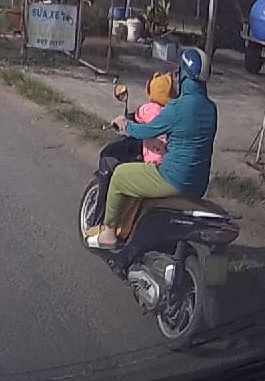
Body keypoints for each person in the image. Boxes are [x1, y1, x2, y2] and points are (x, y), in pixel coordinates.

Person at [90, 48, 217, 249]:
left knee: (120, 176)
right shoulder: (211, 108)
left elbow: (147, 131)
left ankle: (108, 234)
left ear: (184, 75)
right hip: (199, 184)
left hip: (173, 178)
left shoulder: (177, 107)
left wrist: (125, 125)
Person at [137, 71, 174, 165]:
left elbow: (137, 116)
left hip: (149, 157)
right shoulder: (170, 112)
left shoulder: (147, 109)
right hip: (165, 157)